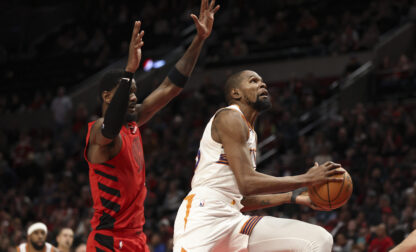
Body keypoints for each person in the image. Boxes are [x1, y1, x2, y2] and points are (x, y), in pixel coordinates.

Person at [84, 0, 220, 251]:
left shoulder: (134, 122)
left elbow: (171, 87)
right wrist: (129, 72)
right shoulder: (99, 132)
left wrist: (199, 39)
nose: (134, 96)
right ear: (106, 96)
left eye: (135, 91)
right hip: (110, 239)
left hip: (136, 238)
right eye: (128, 91)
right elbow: (109, 129)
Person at [173, 70, 345, 251]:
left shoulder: (251, 134)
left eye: (263, 82)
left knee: (318, 239)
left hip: (233, 218)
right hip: (203, 215)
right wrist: (307, 179)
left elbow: (242, 199)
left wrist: (291, 197)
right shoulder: (229, 116)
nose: (262, 85)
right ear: (236, 93)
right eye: (253, 81)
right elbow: (247, 183)